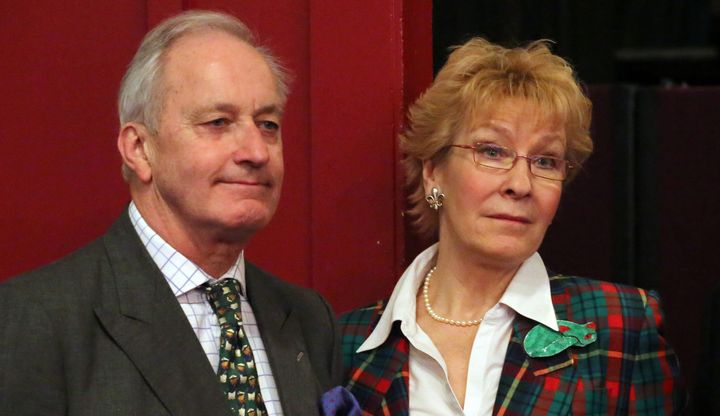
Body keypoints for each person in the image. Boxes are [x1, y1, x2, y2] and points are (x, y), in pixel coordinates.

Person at [0, 11, 342, 416]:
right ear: (140, 149)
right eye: (218, 122)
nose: (256, 151)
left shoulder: (308, 319)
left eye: (268, 124)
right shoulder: (35, 318)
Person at [340, 38, 685, 415]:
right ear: (433, 172)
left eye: (546, 161)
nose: (520, 184)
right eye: (492, 151)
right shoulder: (345, 345)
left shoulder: (623, 327)